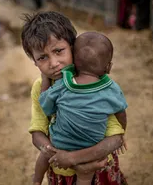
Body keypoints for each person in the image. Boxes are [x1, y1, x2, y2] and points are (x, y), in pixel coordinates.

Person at [21, 11, 127, 185]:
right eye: (42, 57)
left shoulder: (94, 83)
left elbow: (115, 138)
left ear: (73, 46)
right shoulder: (39, 88)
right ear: (34, 61)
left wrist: (74, 158)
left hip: (97, 168)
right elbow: (37, 133)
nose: (54, 63)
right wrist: (53, 153)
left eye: (58, 51)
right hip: (61, 171)